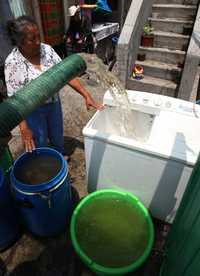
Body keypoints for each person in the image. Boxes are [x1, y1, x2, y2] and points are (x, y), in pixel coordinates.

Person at [4, 16, 103, 156]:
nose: (38, 42)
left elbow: (65, 74)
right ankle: (46, 167)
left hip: (53, 104)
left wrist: (86, 95)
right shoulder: (12, 62)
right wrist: (24, 128)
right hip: (32, 111)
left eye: (39, 36)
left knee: (57, 137)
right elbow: (14, 100)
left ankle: (59, 159)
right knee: (40, 142)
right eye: (32, 39)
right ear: (20, 42)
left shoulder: (47, 50)